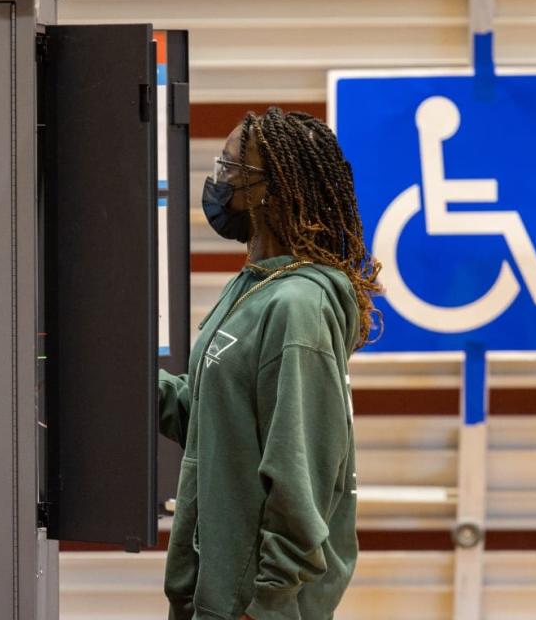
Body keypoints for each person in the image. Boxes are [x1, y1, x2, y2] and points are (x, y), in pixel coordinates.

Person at [158, 107, 381, 620]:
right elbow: (215, 419)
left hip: (252, 608)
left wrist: (266, 605)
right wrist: (122, 379)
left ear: (271, 189)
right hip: (208, 592)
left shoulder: (297, 307)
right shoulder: (253, 287)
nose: (218, 179)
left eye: (232, 168)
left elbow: (300, 476)